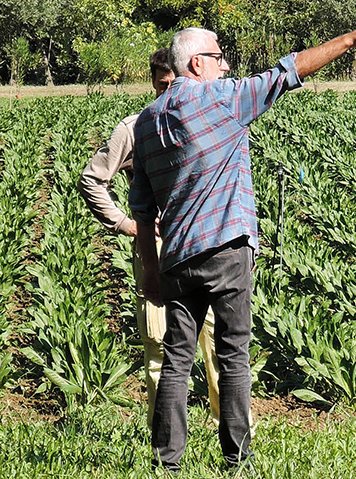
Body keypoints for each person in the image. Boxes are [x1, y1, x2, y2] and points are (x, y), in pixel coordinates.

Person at [130, 21, 356, 472]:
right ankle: (237, 461)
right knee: (234, 355)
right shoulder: (222, 99)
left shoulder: (148, 120)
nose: (226, 63)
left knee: (176, 360)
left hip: (175, 257)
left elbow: (141, 203)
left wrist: (150, 269)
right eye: (218, 56)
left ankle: (166, 463)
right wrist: (352, 38)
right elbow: (290, 71)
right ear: (197, 64)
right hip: (226, 249)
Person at [77, 48, 221, 427]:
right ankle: (166, 438)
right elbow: (92, 179)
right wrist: (124, 223)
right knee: (160, 345)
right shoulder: (135, 127)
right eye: (162, 86)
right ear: (154, 83)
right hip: (156, 246)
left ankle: (236, 433)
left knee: (218, 341)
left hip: (205, 239)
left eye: (174, 83)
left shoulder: (209, 118)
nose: (168, 91)